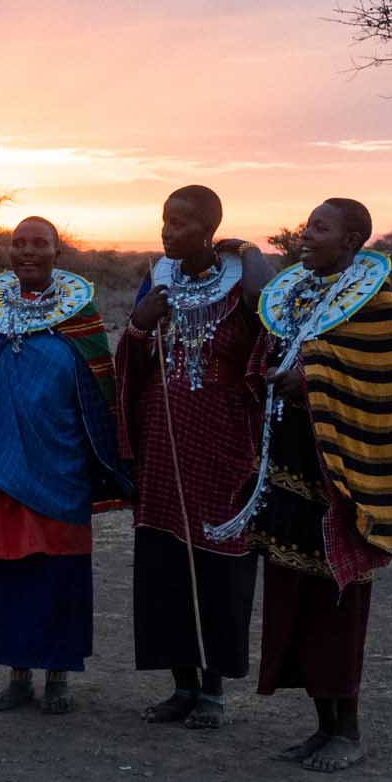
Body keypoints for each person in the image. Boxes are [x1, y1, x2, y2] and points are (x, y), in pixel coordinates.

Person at [218, 198, 392, 772]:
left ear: (352, 241)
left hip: (338, 480)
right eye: (307, 225)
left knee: (336, 604)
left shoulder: (374, 301)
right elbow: (271, 344)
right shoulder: (297, 292)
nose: (306, 235)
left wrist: (312, 378)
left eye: (321, 228)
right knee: (295, 598)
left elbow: (373, 378)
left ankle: (348, 731)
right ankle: (323, 726)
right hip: (291, 468)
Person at [0, 217, 132, 715]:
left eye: (40, 244)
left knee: (57, 571)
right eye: (19, 244)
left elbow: (99, 395)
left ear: (59, 253)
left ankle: (57, 677)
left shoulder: (82, 318)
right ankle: (17, 675)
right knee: (5, 569)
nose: (28, 252)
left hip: (62, 468)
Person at [116, 186, 271, 731]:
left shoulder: (241, 284)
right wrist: (140, 323)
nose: (167, 231)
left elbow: (268, 312)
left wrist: (247, 250)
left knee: (217, 562)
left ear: (209, 230)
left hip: (223, 445)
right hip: (162, 445)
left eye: (180, 223)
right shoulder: (157, 280)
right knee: (163, 562)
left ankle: (213, 691)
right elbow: (133, 360)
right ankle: (181, 685)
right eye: (165, 220)